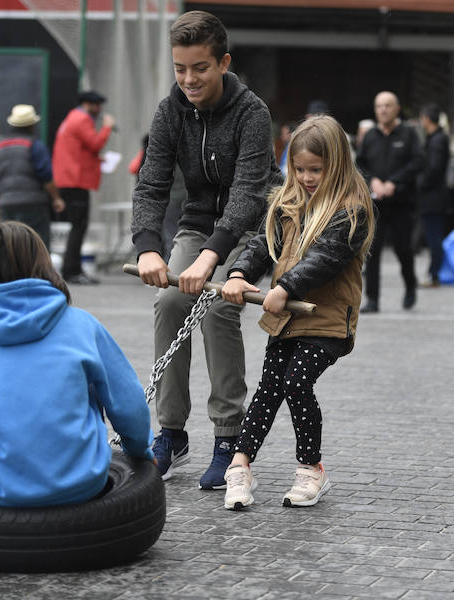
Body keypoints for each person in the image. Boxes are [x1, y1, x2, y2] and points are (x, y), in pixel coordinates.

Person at [131, 10, 283, 489]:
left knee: (217, 306)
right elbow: (151, 183)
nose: (189, 79)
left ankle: (227, 436)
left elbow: (246, 198)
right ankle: (170, 433)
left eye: (199, 67)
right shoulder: (170, 110)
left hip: (253, 225)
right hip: (199, 223)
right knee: (171, 300)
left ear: (223, 62)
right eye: (180, 68)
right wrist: (147, 248)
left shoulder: (252, 112)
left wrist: (210, 258)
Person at [0, 221, 154, 515]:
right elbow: (128, 403)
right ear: (42, 263)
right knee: (88, 386)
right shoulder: (83, 325)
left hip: (3, 492)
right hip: (88, 482)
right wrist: (139, 453)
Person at [219, 115, 375, 510]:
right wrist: (238, 272)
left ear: (336, 164)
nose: (306, 178)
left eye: (316, 170)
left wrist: (285, 286)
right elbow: (261, 244)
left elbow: (325, 258)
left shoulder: (351, 210)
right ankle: (240, 464)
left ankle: (311, 469)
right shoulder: (287, 201)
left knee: (295, 382)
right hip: (287, 319)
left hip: (326, 320)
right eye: (300, 169)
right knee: (269, 388)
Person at [355, 91, 423, 313]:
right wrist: (372, 181)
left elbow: (418, 162)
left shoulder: (408, 134)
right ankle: (373, 299)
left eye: (387, 106)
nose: (383, 110)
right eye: (379, 106)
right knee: (372, 252)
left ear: (397, 108)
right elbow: (360, 164)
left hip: (402, 203)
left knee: (404, 249)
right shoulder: (371, 136)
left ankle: (410, 288)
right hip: (376, 205)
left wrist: (394, 182)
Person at [52, 90, 116, 285]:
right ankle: (72, 271)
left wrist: (96, 159)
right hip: (75, 181)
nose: (99, 110)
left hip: (68, 179)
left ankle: (71, 268)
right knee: (78, 227)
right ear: (88, 104)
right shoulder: (82, 120)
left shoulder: (72, 118)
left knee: (77, 226)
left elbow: (80, 149)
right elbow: (95, 143)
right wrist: (107, 128)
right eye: (97, 106)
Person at [0, 104, 64, 250]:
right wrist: (56, 198)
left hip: (7, 204)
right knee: (36, 245)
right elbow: (46, 175)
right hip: (33, 204)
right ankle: (36, 272)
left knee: (10, 244)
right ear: (31, 125)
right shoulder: (35, 145)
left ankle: (13, 272)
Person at [416, 103, 451, 288]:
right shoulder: (436, 139)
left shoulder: (437, 140)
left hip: (433, 197)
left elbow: (434, 169)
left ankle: (435, 274)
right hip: (433, 196)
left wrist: (420, 183)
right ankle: (433, 272)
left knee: (434, 237)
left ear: (427, 119)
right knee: (433, 236)